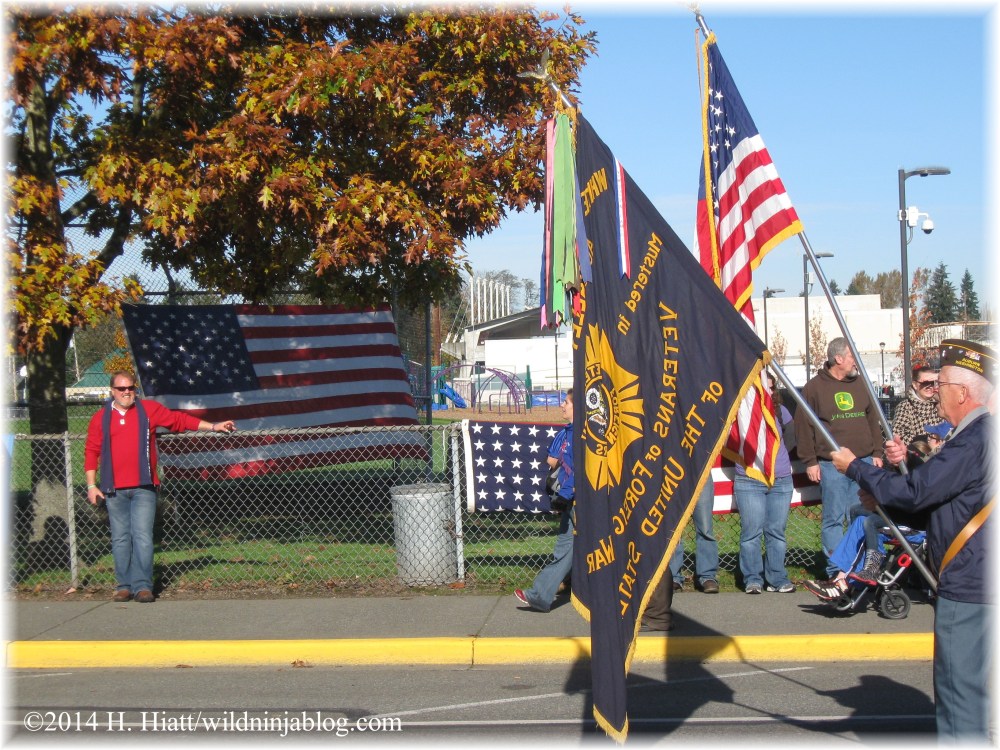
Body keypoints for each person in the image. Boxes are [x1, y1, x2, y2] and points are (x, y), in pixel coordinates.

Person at [831, 339, 995, 742]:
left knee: (960, 703)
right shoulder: (975, 437)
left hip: (969, 584)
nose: (935, 391)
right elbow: (942, 503)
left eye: (941, 384)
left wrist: (856, 469)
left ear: (963, 392)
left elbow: (917, 494)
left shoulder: (975, 440)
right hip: (973, 577)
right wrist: (903, 471)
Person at [85, 371, 236, 603]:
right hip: (114, 489)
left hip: (144, 486)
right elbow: (92, 451)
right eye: (122, 389)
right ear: (112, 391)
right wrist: (91, 485)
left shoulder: (148, 410)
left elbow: (180, 421)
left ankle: (143, 586)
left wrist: (214, 427)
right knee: (120, 538)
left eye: (130, 388)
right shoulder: (100, 418)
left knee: (143, 536)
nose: (127, 392)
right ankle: (123, 586)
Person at [794, 337, 884, 581]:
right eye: (851, 355)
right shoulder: (814, 388)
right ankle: (837, 570)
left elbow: (872, 420)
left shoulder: (861, 384)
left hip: (863, 462)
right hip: (832, 464)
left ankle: (862, 567)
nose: (856, 361)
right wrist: (810, 461)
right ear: (838, 359)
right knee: (834, 518)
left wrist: (877, 452)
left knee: (861, 515)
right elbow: (803, 427)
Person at [734, 373, 795, 594]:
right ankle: (753, 578)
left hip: (780, 479)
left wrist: (777, 456)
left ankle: (777, 578)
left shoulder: (781, 411)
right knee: (751, 532)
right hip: (750, 478)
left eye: (770, 387)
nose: (766, 391)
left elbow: (792, 437)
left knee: (776, 531)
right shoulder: (741, 411)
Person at [514, 389, 574, 612]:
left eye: (566, 402)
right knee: (565, 548)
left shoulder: (581, 434)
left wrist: (565, 496)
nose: (562, 406)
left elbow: (578, 470)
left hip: (581, 502)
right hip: (570, 500)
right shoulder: (568, 432)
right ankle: (539, 596)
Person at [668, 481, 719, 593]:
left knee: (705, 529)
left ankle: (707, 576)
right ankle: (673, 576)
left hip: (701, 475)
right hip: (674, 474)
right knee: (674, 529)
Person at [891, 365, 943, 445]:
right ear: (915, 385)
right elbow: (897, 435)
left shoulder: (941, 404)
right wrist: (925, 441)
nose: (929, 386)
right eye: (925, 383)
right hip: (916, 455)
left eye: (932, 383)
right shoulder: (905, 407)